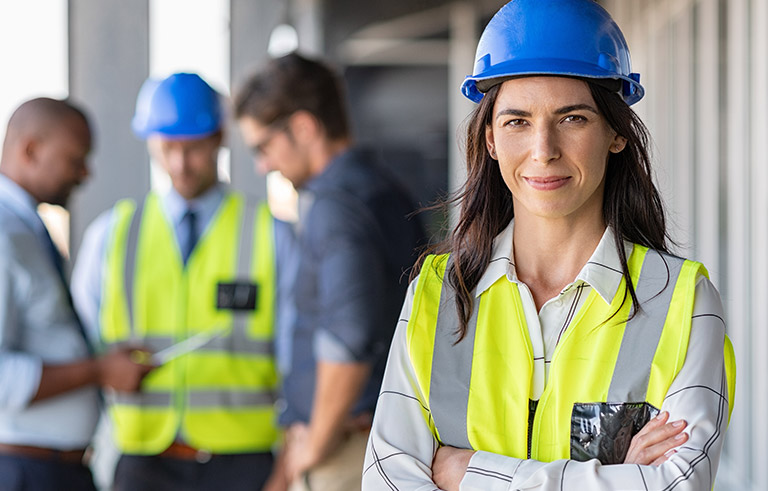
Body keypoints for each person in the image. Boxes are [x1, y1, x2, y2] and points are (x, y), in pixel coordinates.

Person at [362, 0, 736, 490]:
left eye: (573, 118)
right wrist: (614, 476)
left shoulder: (682, 303)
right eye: (517, 121)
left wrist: (466, 472)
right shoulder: (437, 294)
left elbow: (677, 485)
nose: (543, 149)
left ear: (616, 133)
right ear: (491, 138)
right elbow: (389, 480)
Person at [71, 73, 288, 490]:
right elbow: (83, 348)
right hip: (143, 459)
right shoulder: (112, 235)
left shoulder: (268, 234)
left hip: (243, 461)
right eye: (167, 148)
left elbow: (298, 354)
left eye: (193, 149)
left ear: (219, 138)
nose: (179, 164)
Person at [234, 53, 425, 491]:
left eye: (263, 146)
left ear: (303, 127)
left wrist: (315, 444)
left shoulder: (336, 206)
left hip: (346, 448)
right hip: (375, 436)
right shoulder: (383, 189)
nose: (262, 165)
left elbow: (348, 335)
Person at [0, 97, 152, 490]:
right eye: (75, 158)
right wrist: (99, 370)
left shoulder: (25, 228)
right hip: (26, 469)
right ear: (31, 150)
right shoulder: (3, 233)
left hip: (55, 468)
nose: (85, 174)